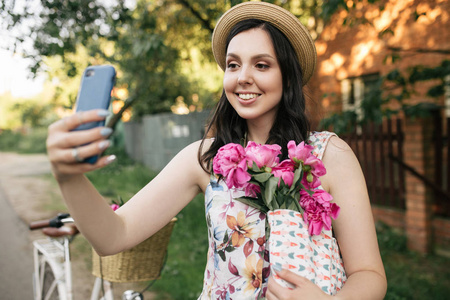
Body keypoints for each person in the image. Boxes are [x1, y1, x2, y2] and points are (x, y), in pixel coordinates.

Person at [46, 2, 387, 299]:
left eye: (262, 65)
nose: (242, 77)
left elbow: (369, 275)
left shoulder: (329, 155)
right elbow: (113, 236)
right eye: (234, 65)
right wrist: (68, 177)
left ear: (289, 77)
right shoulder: (205, 159)